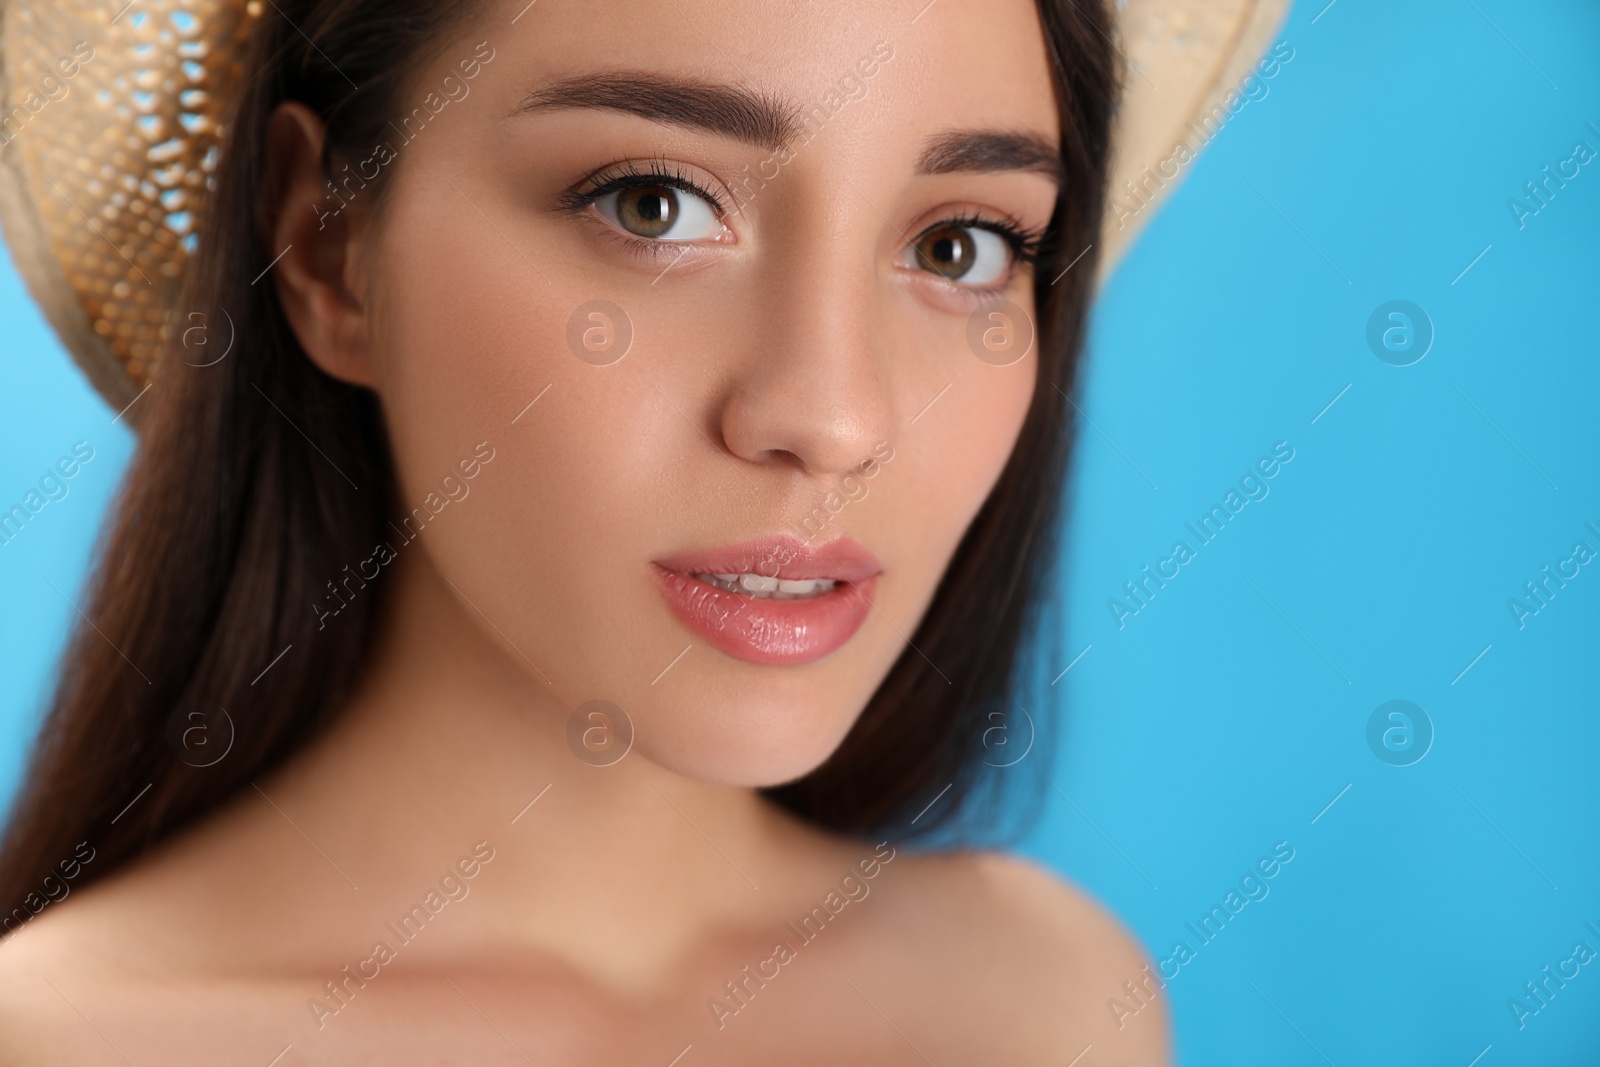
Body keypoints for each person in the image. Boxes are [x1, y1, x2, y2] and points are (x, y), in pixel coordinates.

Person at [0, 0, 1270, 1059]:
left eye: (958, 243)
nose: (829, 415)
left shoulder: (1040, 1005)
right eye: (654, 205)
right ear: (330, 248)